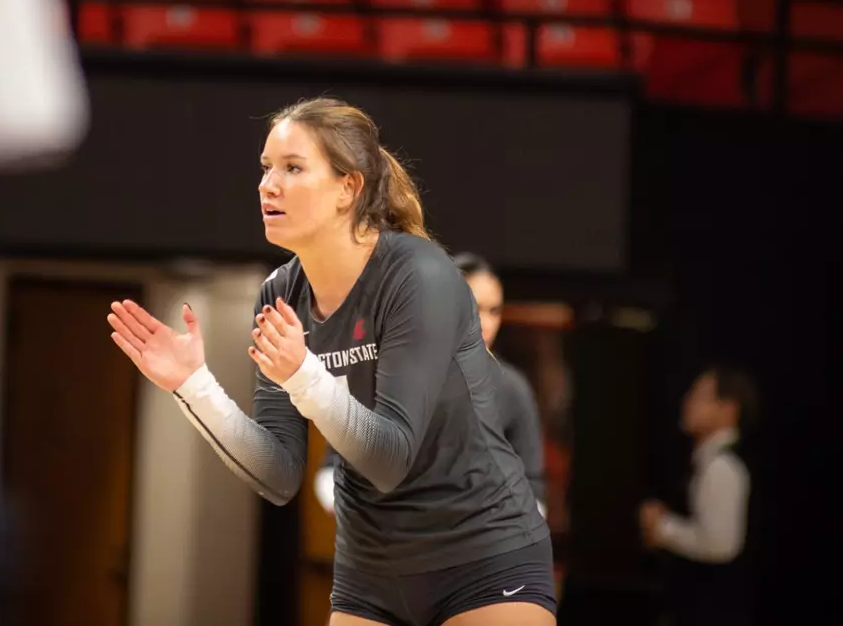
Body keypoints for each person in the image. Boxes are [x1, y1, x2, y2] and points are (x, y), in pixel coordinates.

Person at [109, 97, 557, 625]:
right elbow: (278, 474)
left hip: (483, 556)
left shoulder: (419, 275)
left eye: (293, 168)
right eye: (266, 168)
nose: (267, 185)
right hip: (371, 572)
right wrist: (194, 385)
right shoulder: (280, 293)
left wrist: (303, 374)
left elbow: (390, 458)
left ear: (349, 188)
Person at [316, 253, 547, 519]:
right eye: (473, 306)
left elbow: (533, 489)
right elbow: (333, 468)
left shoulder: (511, 389)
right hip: (391, 542)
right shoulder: (385, 376)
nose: (485, 323)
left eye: (494, 310)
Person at [638, 365, 758, 626]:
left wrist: (660, 527)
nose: (688, 402)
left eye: (701, 396)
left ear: (728, 409)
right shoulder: (706, 462)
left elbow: (720, 544)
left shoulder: (722, 467)